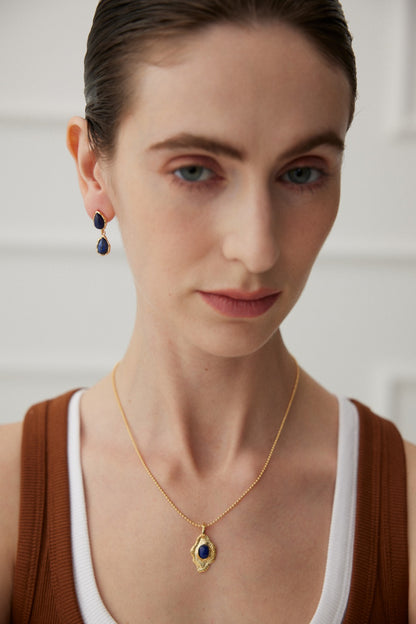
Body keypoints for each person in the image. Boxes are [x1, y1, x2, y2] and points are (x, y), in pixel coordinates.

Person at [0, 0, 415, 621]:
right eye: (195, 170)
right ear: (93, 170)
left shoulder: (404, 506)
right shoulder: (9, 496)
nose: (258, 247)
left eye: (302, 174)